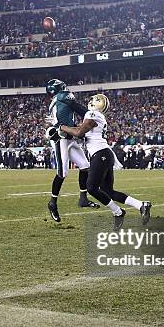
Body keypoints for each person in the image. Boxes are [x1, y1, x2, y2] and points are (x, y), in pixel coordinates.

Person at [59, 94, 151, 230]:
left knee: (91, 187)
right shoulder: (96, 116)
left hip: (101, 154)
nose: (89, 102)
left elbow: (78, 132)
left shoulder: (93, 114)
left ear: (96, 103)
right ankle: (141, 205)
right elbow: (81, 132)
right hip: (104, 154)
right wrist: (68, 129)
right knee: (108, 191)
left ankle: (118, 212)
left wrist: (61, 127)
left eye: (92, 100)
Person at [44, 79, 99, 222]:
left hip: (69, 137)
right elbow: (79, 109)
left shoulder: (55, 101)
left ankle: (83, 199)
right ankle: (52, 203)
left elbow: (68, 114)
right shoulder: (63, 96)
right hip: (60, 137)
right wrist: (93, 115)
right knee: (62, 173)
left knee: (85, 166)